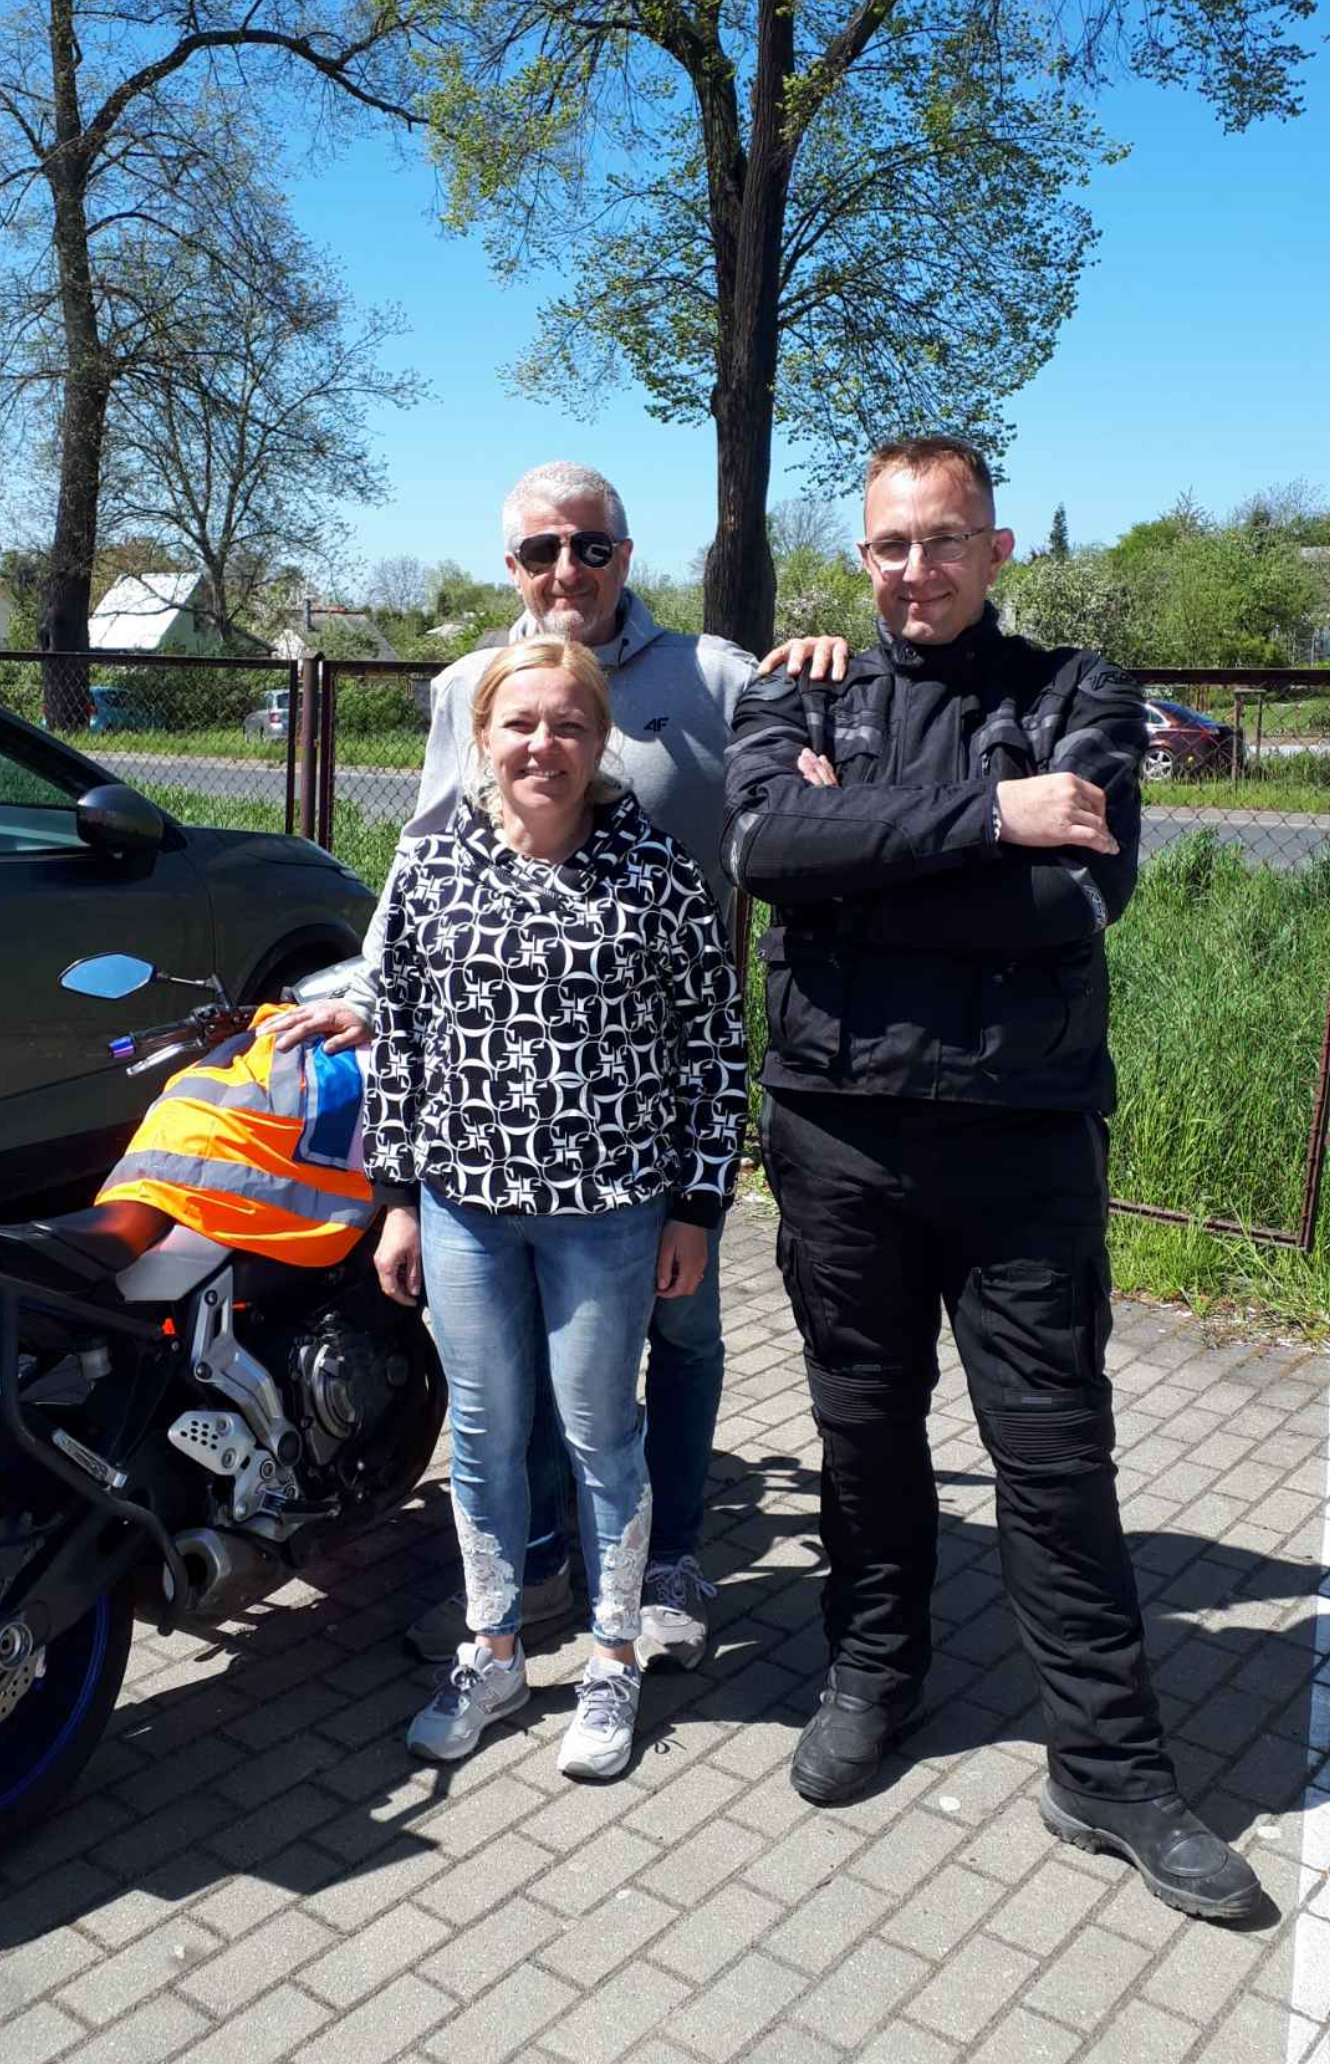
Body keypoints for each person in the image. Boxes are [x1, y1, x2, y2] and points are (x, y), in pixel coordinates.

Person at [721, 436, 1260, 1921]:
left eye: (944, 539)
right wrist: (987, 816)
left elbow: (1070, 896)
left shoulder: (1078, 689)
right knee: (861, 1428)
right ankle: (871, 1673)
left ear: (996, 548)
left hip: (1021, 1134)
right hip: (836, 1131)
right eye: (890, 545)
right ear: (863, 554)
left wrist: (858, 864)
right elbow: (765, 848)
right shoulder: (798, 688)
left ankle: (1109, 1765)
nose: (916, 570)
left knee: (1053, 1452)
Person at [269, 461, 843, 1673]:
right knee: (527, 1362)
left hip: (651, 1104)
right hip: (516, 1113)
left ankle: (668, 1562)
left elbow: (824, 759)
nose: (566, 569)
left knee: (681, 1336)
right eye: (541, 550)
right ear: (512, 566)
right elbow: (426, 864)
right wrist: (374, 996)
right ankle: (532, 1573)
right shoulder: (470, 685)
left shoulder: (713, 675)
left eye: (589, 545)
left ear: (626, 554)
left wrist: (833, 663)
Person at [364, 636, 746, 1777]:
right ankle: (493, 1648)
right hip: (463, 1205)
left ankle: (613, 1656)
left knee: (599, 1435)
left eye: (569, 724)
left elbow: (715, 1046)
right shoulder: (431, 862)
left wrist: (697, 1206)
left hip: (610, 1213)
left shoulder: (655, 870)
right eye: (521, 723)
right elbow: (398, 1038)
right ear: (483, 736)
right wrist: (396, 1199)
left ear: (600, 739)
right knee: (485, 1437)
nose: (544, 745)